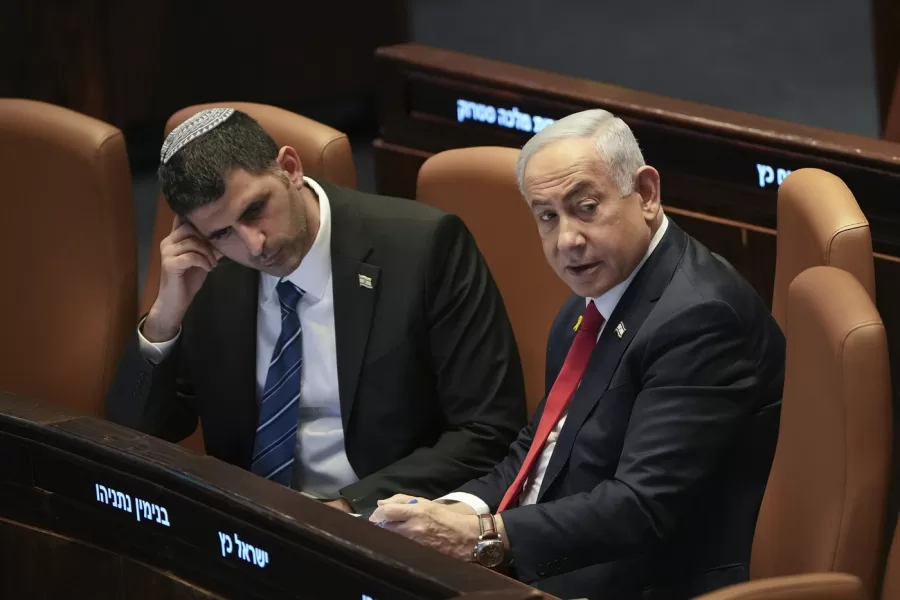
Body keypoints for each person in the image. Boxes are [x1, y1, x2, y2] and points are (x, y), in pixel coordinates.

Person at [370, 109, 786, 599]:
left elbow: (641, 506)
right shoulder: (593, 297)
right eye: (547, 217)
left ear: (647, 194)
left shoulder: (699, 318)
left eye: (585, 207)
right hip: (565, 556)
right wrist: (454, 512)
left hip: (650, 579)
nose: (567, 240)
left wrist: (483, 538)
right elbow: (541, 448)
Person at [106, 108, 526, 513]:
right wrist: (166, 316)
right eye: (222, 233)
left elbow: (487, 431)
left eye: (255, 209)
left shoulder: (424, 247)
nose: (254, 245)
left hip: (380, 519)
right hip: (248, 527)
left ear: (289, 168)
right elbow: (132, 437)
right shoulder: (211, 271)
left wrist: (348, 510)